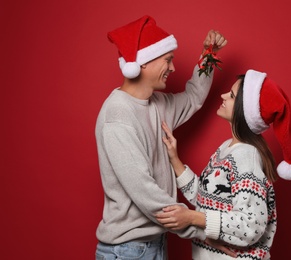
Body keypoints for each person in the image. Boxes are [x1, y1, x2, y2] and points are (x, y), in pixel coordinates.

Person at [94, 15, 228, 259]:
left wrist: (208, 54)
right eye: (168, 60)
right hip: (126, 251)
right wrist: (205, 230)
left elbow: (193, 98)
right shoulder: (118, 116)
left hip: (154, 244)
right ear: (143, 63)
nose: (173, 68)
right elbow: (146, 192)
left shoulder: (157, 104)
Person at [157, 69, 291, 259]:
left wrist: (192, 218)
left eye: (231, 96)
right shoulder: (227, 148)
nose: (223, 96)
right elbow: (206, 199)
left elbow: (251, 225)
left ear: (243, 109)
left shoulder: (246, 157)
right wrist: (174, 158)